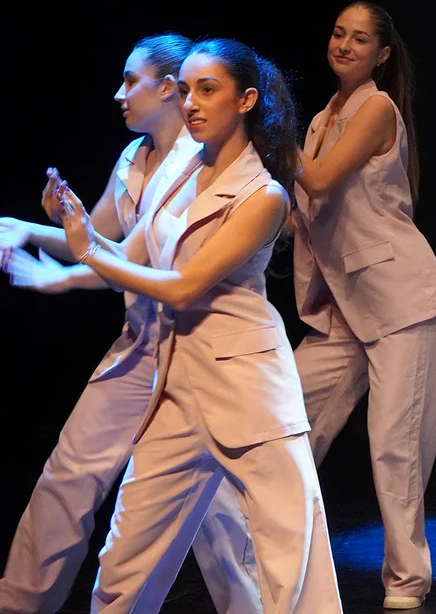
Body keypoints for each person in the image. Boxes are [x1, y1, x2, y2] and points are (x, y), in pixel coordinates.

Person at [47, 38, 342, 613]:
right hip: (178, 383)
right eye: (184, 90)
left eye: (207, 90)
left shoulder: (264, 194)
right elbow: (131, 255)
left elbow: (185, 285)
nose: (191, 103)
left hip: (249, 384)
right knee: (125, 557)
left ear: (246, 100)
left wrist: (87, 252)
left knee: (292, 553)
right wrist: (78, 227)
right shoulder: (180, 170)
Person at [0, 34, 258, 613]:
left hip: (195, 351)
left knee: (215, 514)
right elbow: (97, 242)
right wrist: (30, 226)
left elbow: (128, 266)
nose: (119, 94)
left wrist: (63, 278)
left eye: (130, 81)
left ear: (167, 89)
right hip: (140, 344)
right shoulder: (133, 158)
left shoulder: (200, 164)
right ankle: (18, 602)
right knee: (69, 472)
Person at [289, 1, 436, 610]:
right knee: (284, 416)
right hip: (343, 307)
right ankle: (273, 550)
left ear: (381, 54)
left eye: (360, 39)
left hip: (403, 302)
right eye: (339, 33)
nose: (344, 44)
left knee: (394, 444)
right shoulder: (319, 120)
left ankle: (406, 581)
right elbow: (305, 211)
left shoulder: (376, 107)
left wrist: (266, 133)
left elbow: (318, 180)